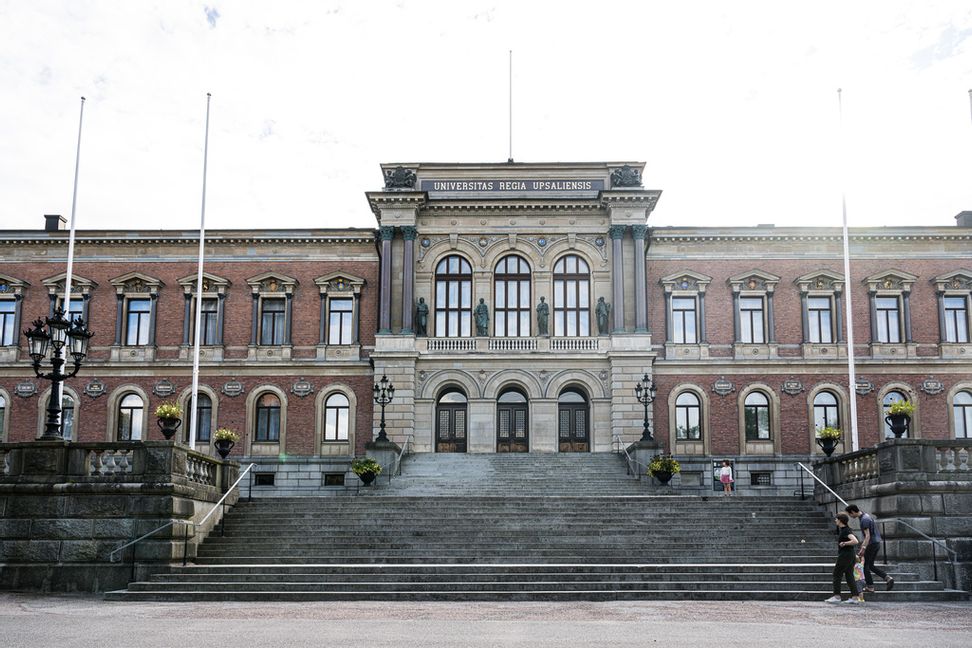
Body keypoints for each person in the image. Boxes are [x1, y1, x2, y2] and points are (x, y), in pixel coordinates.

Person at [845, 504, 894, 593]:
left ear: (852, 512)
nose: (850, 516)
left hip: (871, 544)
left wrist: (863, 548)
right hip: (876, 543)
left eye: (850, 514)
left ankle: (870, 587)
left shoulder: (864, 520)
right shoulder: (866, 516)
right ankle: (887, 578)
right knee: (870, 565)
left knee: (865, 566)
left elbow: (867, 536)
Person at [825, 512, 862, 604]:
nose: (835, 520)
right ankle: (855, 597)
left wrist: (845, 543)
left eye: (836, 519)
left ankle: (837, 596)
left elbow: (855, 541)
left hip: (845, 555)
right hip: (850, 555)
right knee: (849, 575)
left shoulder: (845, 530)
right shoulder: (845, 529)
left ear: (840, 520)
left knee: (837, 574)